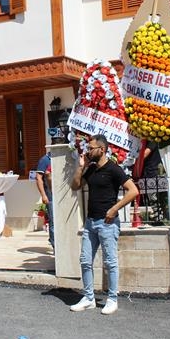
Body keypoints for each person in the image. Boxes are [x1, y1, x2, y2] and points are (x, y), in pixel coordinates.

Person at [69, 134, 138, 315]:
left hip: (107, 223)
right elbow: (75, 186)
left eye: (91, 148)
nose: (88, 151)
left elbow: (133, 191)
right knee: (85, 261)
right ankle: (89, 298)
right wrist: (80, 167)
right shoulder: (90, 169)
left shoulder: (114, 169)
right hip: (90, 223)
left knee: (110, 262)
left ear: (102, 149)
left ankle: (112, 299)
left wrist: (114, 209)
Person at [35, 149, 54, 249]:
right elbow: (38, 178)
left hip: (59, 195)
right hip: (49, 194)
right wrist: (43, 195)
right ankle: (55, 244)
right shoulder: (45, 160)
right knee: (53, 219)